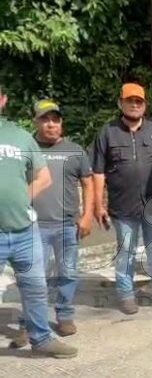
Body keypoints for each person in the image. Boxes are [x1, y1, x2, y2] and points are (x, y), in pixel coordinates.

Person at [0, 83, 77, 357]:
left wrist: (21, 198)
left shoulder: (20, 136)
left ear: (3, 99)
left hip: (24, 231)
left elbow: (43, 177)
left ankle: (41, 339)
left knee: (35, 287)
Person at [13, 99, 93, 346]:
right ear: (35, 121)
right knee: (34, 278)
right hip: (32, 226)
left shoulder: (75, 150)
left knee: (67, 272)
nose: (51, 124)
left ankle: (65, 314)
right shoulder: (25, 148)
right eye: (45, 119)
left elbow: (88, 183)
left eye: (55, 120)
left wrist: (87, 215)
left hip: (67, 225)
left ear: (61, 123)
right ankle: (29, 323)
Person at [92, 83, 152, 315]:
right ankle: (126, 295)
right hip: (123, 208)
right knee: (126, 252)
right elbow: (97, 171)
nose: (135, 105)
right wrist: (98, 205)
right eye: (130, 101)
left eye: (139, 101)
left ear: (145, 105)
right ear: (121, 103)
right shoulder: (107, 133)